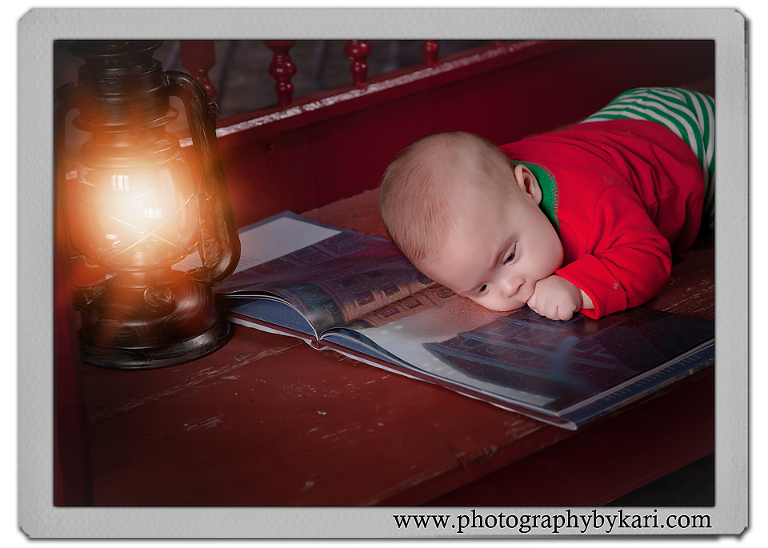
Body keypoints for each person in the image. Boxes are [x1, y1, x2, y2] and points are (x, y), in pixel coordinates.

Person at [378, 87, 714, 320]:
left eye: (510, 256)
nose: (511, 286)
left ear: (527, 185)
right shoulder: (497, 190)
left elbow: (648, 255)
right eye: (481, 288)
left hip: (693, 145)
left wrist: (577, 288)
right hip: (621, 122)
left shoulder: (593, 207)